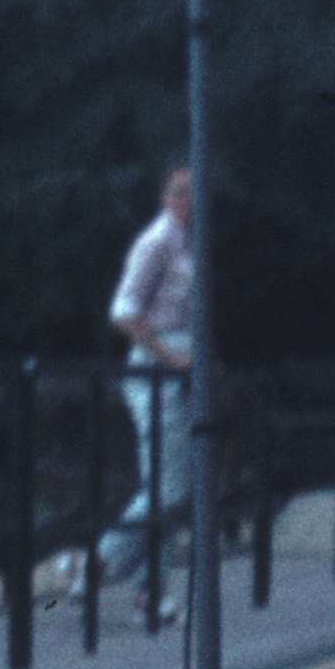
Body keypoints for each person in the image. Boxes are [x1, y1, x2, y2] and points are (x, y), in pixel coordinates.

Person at [86, 162, 197, 609]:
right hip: (158, 371)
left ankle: (151, 588)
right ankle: (95, 563)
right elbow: (124, 312)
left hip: (181, 370)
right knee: (170, 489)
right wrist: (170, 356)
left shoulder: (190, 242)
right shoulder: (157, 242)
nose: (190, 200)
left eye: (195, 191)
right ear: (165, 197)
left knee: (172, 486)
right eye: (180, 191)